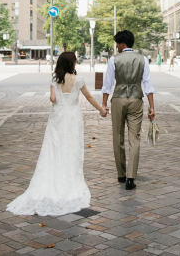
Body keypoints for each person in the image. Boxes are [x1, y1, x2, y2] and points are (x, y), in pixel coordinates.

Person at [7, 52, 107, 216]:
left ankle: (54, 177)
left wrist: (58, 94)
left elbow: (53, 99)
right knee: (72, 147)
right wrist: (101, 109)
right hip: (72, 116)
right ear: (71, 63)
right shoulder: (79, 80)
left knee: (54, 147)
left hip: (58, 116)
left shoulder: (55, 79)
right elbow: (89, 97)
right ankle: (69, 179)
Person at [101, 30, 155, 191]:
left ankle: (121, 174)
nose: (116, 47)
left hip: (118, 99)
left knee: (118, 137)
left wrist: (104, 104)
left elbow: (108, 84)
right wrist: (152, 107)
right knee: (134, 139)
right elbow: (148, 84)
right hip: (136, 100)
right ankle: (131, 178)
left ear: (122, 44)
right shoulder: (142, 59)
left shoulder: (114, 60)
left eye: (117, 44)